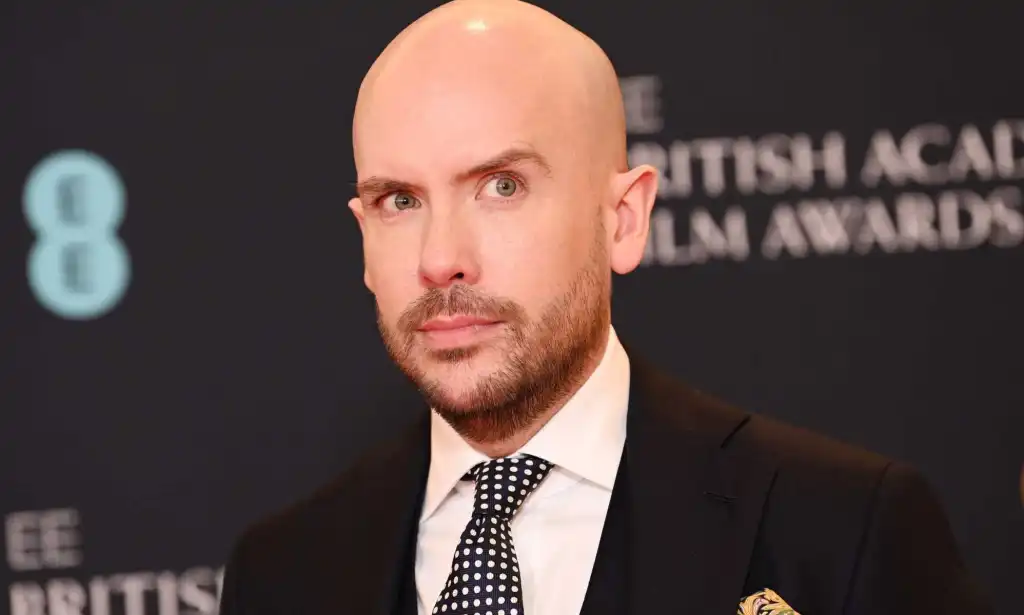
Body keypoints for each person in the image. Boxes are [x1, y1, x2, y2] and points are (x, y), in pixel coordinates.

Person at [218, 1, 992, 614]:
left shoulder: (841, 531)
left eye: (502, 186)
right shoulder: (283, 573)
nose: (438, 256)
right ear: (363, 236)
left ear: (622, 218)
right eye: (399, 199)